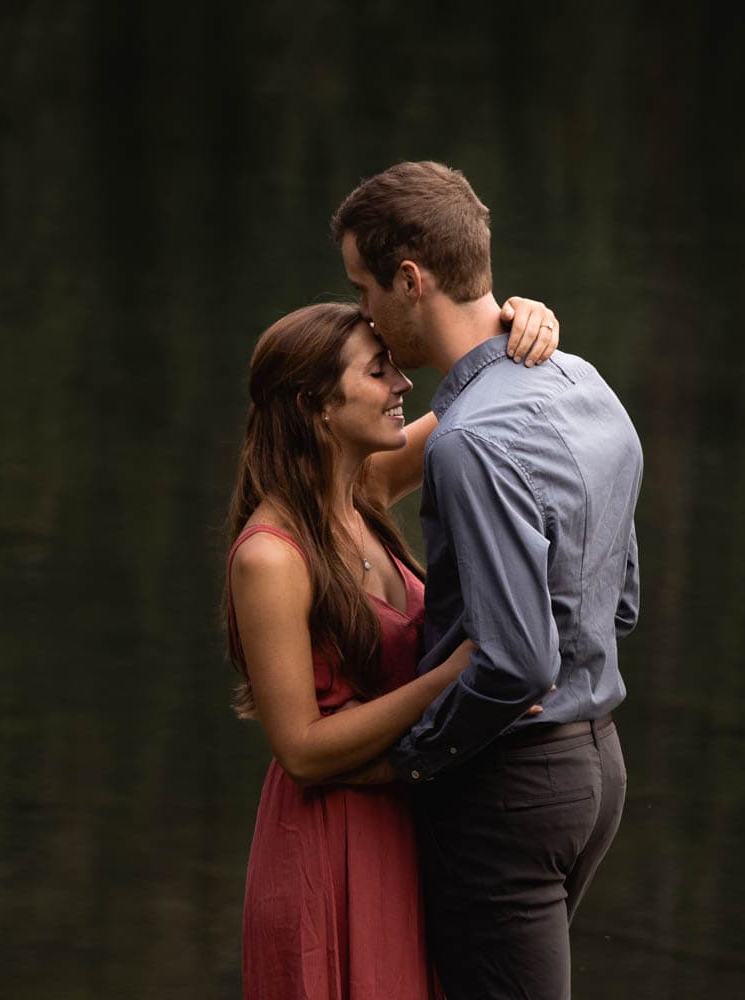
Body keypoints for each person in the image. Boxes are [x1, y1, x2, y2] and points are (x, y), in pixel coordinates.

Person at [330, 161, 643, 999]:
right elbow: (622, 600)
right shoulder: (587, 384)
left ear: (409, 279)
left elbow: (514, 663)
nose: (362, 310)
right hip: (597, 769)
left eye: (364, 287)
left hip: (507, 790)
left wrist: (412, 764)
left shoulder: (469, 442)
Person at [225, 296, 561, 999]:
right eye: (378, 372)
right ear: (314, 404)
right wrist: (454, 679)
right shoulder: (271, 558)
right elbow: (302, 750)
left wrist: (523, 323)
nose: (404, 384)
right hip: (328, 844)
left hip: (410, 822)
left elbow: (481, 393)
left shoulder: (362, 489)